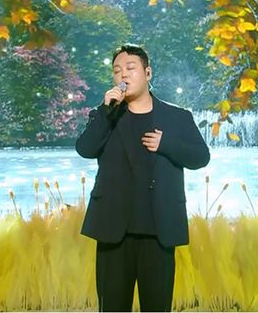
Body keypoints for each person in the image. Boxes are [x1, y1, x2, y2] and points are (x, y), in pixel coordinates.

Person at [76, 44, 210, 312]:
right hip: (113, 230)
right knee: (112, 307)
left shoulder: (177, 117)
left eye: (130, 68)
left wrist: (166, 144)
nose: (123, 75)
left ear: (148, 73)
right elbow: (85, 149)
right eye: (117, 71)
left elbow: (200, 157)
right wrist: (106, 112)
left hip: (159, 229)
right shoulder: (105, 115)